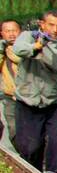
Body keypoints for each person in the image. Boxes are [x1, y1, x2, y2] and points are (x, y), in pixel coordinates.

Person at [11, 10, 57, 173]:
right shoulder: (28, 36)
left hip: (53, 101)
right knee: (31, 146)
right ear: (42, 24)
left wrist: (46, 47)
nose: (55, 29)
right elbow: (18, 49)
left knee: (56, 142)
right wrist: (35, 47)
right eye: (51, 24)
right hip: (27, 100)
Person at [1, 19, 21, 148]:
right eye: (8, 31)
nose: (11, 34)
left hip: (30, 97)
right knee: (13, 129)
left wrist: (11, 51)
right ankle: (24, 156)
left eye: (14, 30)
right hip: (10, 97)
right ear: (2, 33)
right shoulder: (1, 50)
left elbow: (20, 59)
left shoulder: (30, 48)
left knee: (35, 131)